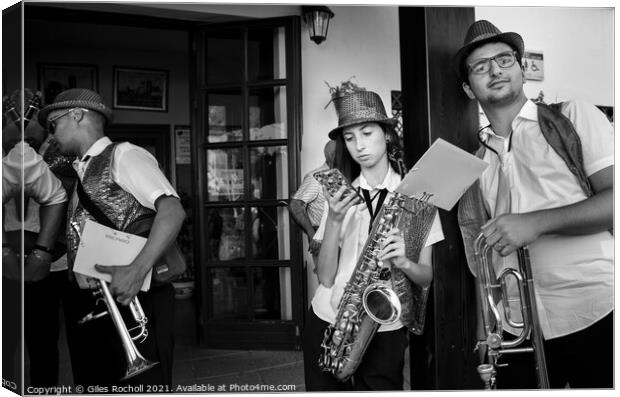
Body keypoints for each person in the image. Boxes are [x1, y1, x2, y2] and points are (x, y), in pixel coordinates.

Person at [455, 20, 613, 389]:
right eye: (480, 66)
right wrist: (486, 337)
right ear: (467, 88)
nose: (495, 70)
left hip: (598, 309)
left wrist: (534, 223)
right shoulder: (475, 163)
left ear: (522, 68)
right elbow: (484, 265)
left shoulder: (573, 116)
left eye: (504, 59)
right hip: (516, 328)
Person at [37, 88, 186, 388]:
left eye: (52, 125)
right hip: (95, 301)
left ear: (76, 115)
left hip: (134, 294)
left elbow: (172, 210)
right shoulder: (80, 169)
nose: (50, 135)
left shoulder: (124, 154)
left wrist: (136, 270)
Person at [302, 82, 444, 391]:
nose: (359, 146)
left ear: (387, 134)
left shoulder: (418, 198)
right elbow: (325, 277)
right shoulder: (339, 196)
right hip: (327, 320)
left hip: (384, 327)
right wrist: (336, 221)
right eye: (350, 138)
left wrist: (404, 261)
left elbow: (426, 277)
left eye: (367, 133)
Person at [2, 89, 70, 388]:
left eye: (28, 114)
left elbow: (64, 197)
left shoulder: (62, 152)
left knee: (43, 341)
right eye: (14, 114)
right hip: (7, 259)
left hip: (49, 262)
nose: (22, 122)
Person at [289, 140, 335, 275]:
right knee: (328, 286)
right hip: (323, 239)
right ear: (332, 156)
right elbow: (295, 205)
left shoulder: (339, 175)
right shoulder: (317, 177)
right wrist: (313, 235)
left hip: (342, 237)